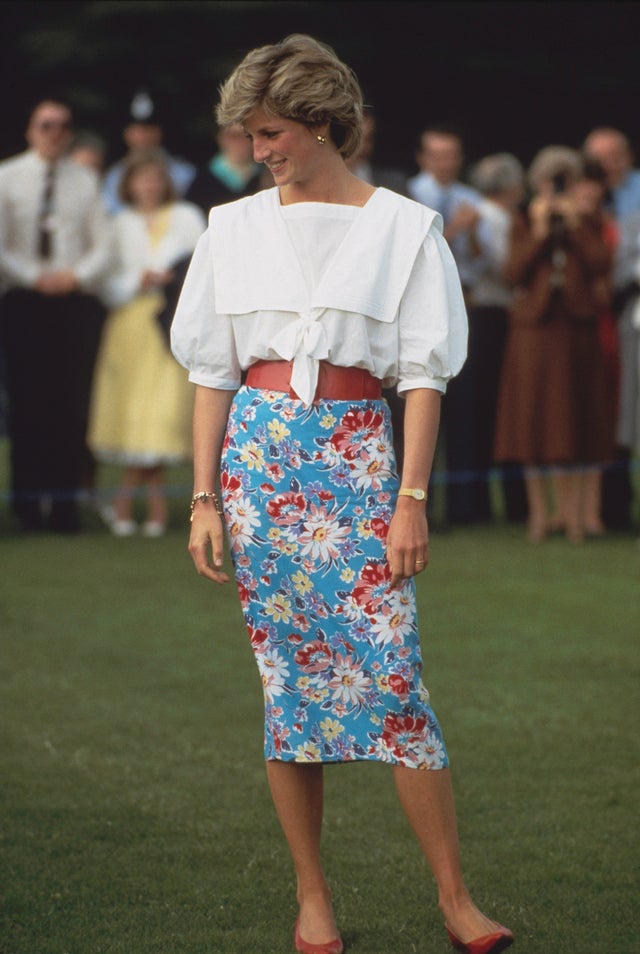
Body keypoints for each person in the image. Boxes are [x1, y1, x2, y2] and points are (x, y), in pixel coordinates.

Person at [171, 34, 513, 954]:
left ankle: (454, 899)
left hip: (364, 465)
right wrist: (204, 500)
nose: (259, 151)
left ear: (323, 123)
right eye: (249, 134)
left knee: (395, 679)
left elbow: (424, 377)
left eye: (272, 131)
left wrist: (413, 496)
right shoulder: (229, 227)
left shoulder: (407, 228)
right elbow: (212, 371)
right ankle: (312, 899)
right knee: (288, 689)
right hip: (259, 467)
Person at [0, 99, 111, 533]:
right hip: (24, 300)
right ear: (31, 129)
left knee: (71, 402)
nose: (54, 132)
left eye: (63, 125)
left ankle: (64, 506)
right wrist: (34, 275)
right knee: (27, 403)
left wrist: (74, 276)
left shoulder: (85, 180)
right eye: (45, 124)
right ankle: (26, 505)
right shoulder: (8, 177)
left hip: (73, 301)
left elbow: (102, 243)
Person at [494, 146, 613, 543]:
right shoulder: (525, 220)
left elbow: (600, 262)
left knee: (576, 422)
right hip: (534, 330)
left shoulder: (589, 220)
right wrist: (542, 232)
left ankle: (577, 518)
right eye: (550, 181)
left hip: (576, 329)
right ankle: (539, 517)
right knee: (531, 423)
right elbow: (513, 273)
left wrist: (576, 224)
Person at [88, 150, 205, 536]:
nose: (150, 186)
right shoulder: (118, 223)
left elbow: (202, 268)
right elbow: (106, 278)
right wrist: (135, 283)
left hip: (171, 322)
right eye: (142, 178)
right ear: (129, 183)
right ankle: (146, 506)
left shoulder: (188, 217)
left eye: (156, 178)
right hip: (130, 323)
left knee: (163, 410)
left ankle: (132, 505)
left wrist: (169, 280)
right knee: (132, 408)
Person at [408, 126, 483, 525]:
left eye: (452, 154)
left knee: (462, 409)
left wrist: (470, 234)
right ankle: (419, 503)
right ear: (423, 158)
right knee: (421, 398)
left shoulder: (471, 198)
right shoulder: (408, 195)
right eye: (437, 154)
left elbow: (482, 261)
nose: (445, 162)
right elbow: (421, 252)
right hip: (419, 307)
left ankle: (461, 507)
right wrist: (455, 229)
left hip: (463, 304)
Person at [467, 153, 528, 523]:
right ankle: (507, 502)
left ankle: (484, 502)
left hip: (490, 316)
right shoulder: (497, 219)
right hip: (494, 317)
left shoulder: (481, 214)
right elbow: (507, 270)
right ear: (512, 187)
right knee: (499, 406)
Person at [103, 89, 196, 215]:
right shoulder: (114, 176)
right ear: (127, 134)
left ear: (159, 132)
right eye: (137, 130)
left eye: (149, 129)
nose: (144, 136)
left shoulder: (185, 173)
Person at [185, 122, 263, 214]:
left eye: (248, 135)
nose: (241, 141)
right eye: (234, 136)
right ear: (220, 138)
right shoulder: (202, 181)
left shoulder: (268, 175)